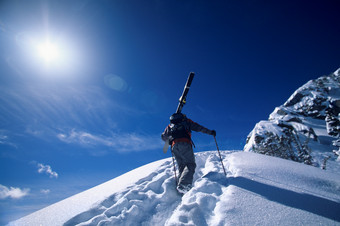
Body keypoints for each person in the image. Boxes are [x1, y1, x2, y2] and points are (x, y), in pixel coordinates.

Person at [161, 112, 216, 194]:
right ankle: (184, 185)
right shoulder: (186, 121)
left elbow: (163, 137)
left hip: (174, 147)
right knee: (190, 164)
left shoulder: (170, 126)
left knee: (181, 167)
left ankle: (180, 188)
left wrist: (169, 139)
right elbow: (199, 127)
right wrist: (210, 132)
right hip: (185, 143)